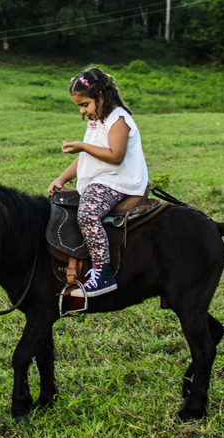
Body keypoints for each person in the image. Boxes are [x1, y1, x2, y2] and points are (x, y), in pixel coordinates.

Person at [47, 67, 149, 298]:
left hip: (118, 181)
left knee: (87, 214)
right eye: (80, 106)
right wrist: (63, 177)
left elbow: (116, 155)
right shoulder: (96, 120)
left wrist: (82, 145)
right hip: (100, 180)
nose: (83, 111)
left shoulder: (118, 119)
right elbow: (87, 157)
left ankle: (102, 274)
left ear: (101, 96)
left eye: (85, 104)